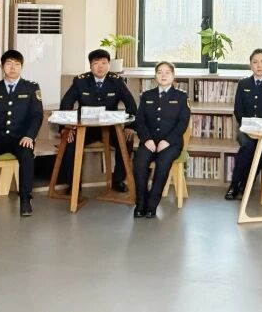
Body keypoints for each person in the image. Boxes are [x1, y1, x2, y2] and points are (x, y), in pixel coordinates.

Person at [0, 50, 44, 219]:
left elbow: (36, 116)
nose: (13, 68)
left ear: (21, 67)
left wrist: (30, 136)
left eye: (17, 64)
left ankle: (25, 200)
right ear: (2, 66)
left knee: (26, 155)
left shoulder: (31, 88)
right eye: (9, 64)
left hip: (21, 138)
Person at [58, 49, 138, 193]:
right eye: (96, 63)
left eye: (104, 63)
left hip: (110, 127)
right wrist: (66, 127)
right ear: (90, 66)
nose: (100, 67)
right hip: (85, 128)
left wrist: (130, 126)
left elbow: (131, 105)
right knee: (69, 142)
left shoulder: (117, 81)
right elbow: (66, 104)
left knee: (127, 140)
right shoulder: (80, 81)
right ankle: (73, 184)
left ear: (109, 65)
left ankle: (118, 180)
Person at [132, 62, 191, 218]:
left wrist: (168, 141)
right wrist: (146, 139)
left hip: (171, 143)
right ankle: (140, 203)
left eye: (167, 72)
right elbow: (140, 121)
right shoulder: (147, 96)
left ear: (173, 76)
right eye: (159, 72)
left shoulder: (181, 97)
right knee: (139, 162)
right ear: (155, 76)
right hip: (150, 142)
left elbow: (183, 123)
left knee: (163, 163)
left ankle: (152, 205)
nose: (163, 75)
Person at [226, 49, 262, 200]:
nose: (259, 65)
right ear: (250, 65)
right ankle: (234, 185)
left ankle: (245, 184)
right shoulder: (243, 84)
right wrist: (248, 126)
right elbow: (238, 110)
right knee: (248, 146)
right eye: (255, 62)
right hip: (246, 129)